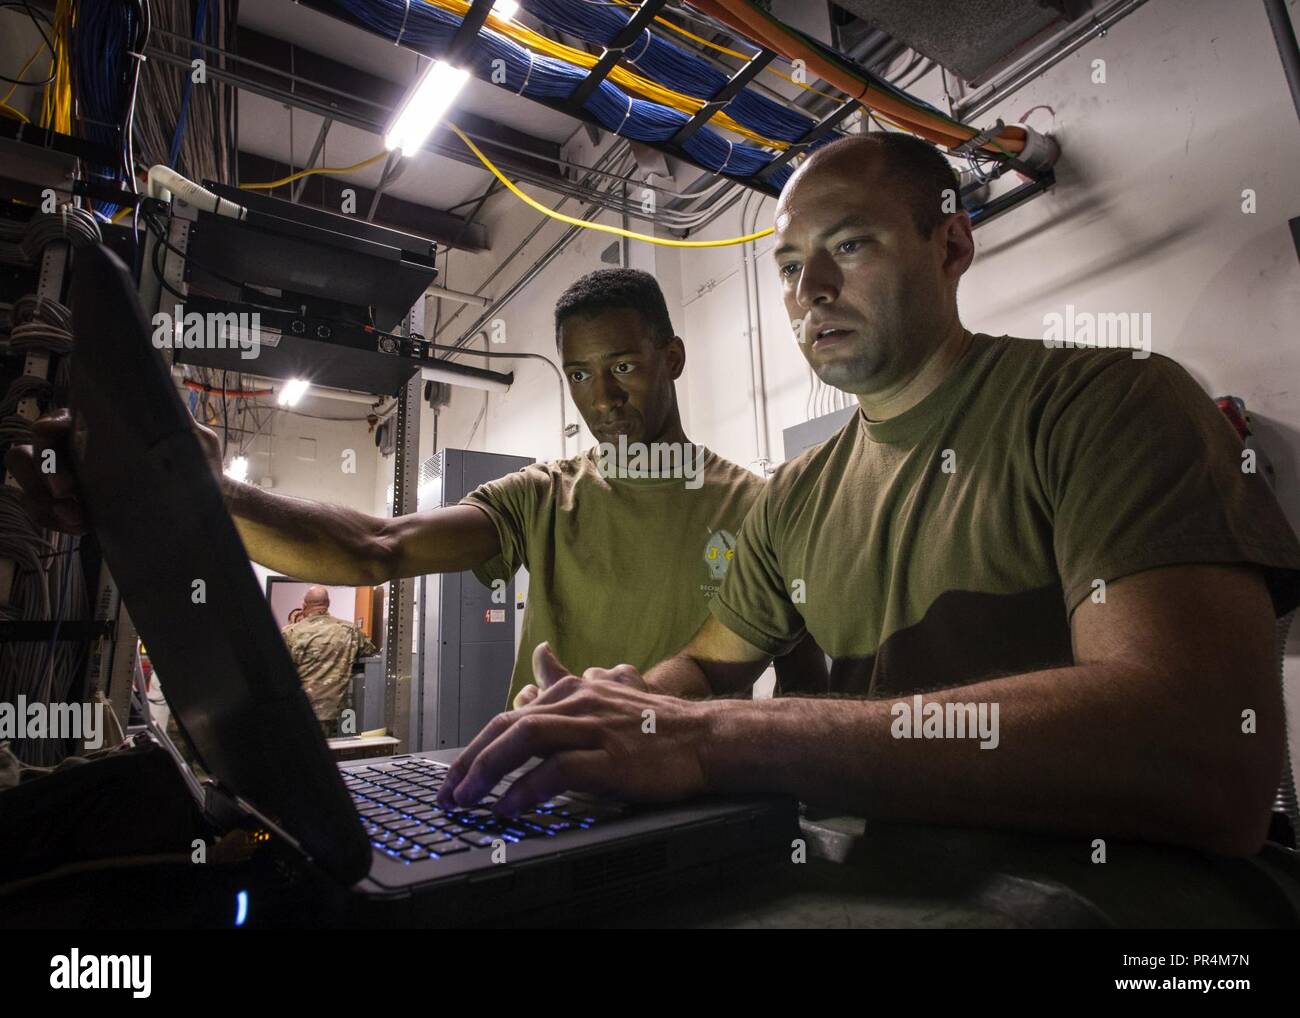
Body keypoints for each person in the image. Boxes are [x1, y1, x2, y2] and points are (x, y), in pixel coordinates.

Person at [438, 133, 1300, 864]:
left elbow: (1206, 752)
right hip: (891, 893)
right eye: (787, 266)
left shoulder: (1104, 404)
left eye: (849, 247)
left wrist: (709, 740)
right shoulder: (794, 498)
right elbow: (707, 668)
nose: (809, 292)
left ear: (951, 247)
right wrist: (632, 709)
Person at [7, 269, 822, 724]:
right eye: (578, 374)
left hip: (696, 808)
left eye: (623, 366)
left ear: (673, 357)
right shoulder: (544, 497)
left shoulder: (756, 507)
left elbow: (808, 683)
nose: (600, 397)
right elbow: (377, 547)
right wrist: (200, 489)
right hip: (540, 782)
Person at [280, 586, 377, 736]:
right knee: (339, 754)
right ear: (328, 603)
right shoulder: (349, 630)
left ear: (304, 605)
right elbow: (370, 652)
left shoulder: (290, 633)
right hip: (339, 713)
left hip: (302, 711)